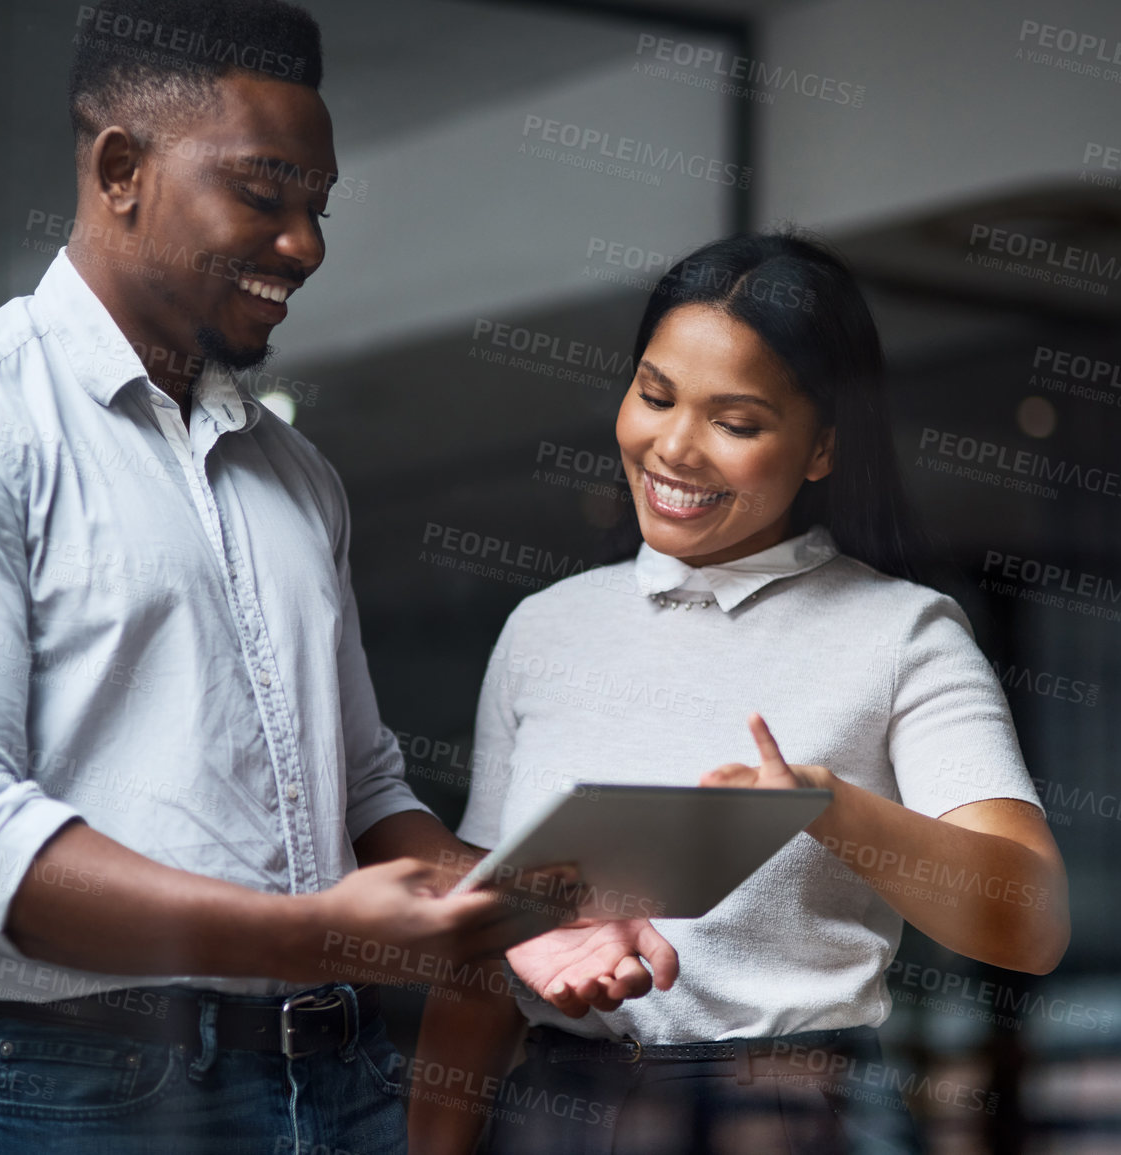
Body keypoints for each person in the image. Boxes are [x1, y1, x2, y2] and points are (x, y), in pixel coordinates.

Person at [0, 3, 668, 1152]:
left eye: (317, 205)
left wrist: (520, 916)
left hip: (337, 1079)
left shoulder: (299, 476)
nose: (306, 244)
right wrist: (309, 934)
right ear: (121, 169)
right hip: (76, 1097)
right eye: (264, 195)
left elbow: (364, 796)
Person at [409, 232, 1071, 1154]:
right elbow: (481, 954)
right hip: (556, 1115)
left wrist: (825, 806)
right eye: (654, 395)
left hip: (788, 1119)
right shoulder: (546, 627)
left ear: (822, 447)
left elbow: (1029, 923)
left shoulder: (901, 633)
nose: (673, 447)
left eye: (737, 421)